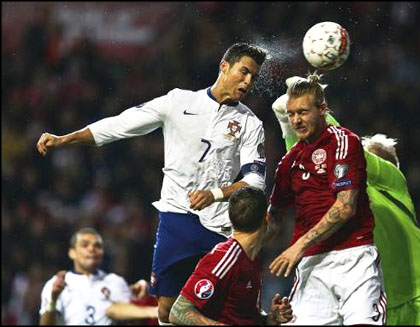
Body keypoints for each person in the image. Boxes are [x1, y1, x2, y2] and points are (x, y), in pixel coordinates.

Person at [36, 42, 269, 324]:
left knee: (219, 307)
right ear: (224, 67)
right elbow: (121, 124)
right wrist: (65, 139)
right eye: (243, 72)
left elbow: (254, 181)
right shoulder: (179, 102)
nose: (247, 81)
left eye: (253, 77)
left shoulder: (250, 123)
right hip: (176, 217)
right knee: (166, 310)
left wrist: (216, 194)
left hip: (220, 226)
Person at [271, 75, 420, 325]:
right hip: (382, 300)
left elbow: (337, 142)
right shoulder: (345, 189)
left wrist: (311, 107)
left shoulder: (394, 184)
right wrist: (288, 125)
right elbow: (310, 160)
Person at [267, 73, 386, 325]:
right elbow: (275, 216)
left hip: (354, 258)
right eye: (291, 114)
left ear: (323, 109)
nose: (296, 120)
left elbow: (344, 207)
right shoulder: (289, 163)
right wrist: (239, 241)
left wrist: (297, 246)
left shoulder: (343, 142)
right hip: (312, 266)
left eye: (303, 112)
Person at [169, 186, 293, 325]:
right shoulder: (224, 257)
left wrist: (270, 319)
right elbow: (178, 312)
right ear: (266, 217)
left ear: (230, 218)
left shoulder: (250, 259)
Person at [39, 227, 158, 325]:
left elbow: (130, 317)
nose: (92, 249)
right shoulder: (57, 284)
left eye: (97, 246)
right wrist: (52, 301)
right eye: (85, 245)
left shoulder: (115, 281)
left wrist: (144, 289)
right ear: (72, 253)